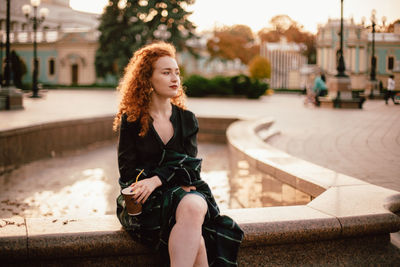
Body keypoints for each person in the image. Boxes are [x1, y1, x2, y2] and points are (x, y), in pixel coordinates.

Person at [114, 42, 243, 266]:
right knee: (198, 242)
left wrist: (156, 180)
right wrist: (171, 178)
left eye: (177, 72)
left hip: (186, 193)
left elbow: (191, 168)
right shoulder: (132, 120)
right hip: (147, 202)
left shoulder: (187, 119)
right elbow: (127, 171)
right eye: (166, 72)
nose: (175, 78)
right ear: (147, 79)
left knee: (193, 205)